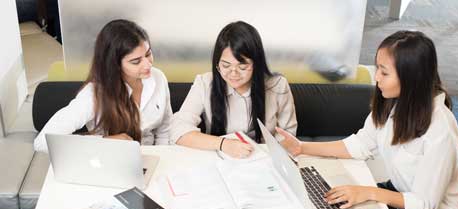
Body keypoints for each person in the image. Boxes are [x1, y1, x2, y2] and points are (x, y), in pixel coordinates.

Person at [276, 30, 458, 209]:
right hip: (399, 196)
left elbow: (423, 205)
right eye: (378, 69)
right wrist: (302, 148)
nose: (376, 78)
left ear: (411, 78)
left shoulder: (440, 129)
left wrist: (369, 193)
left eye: (384, 72)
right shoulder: (392, 103)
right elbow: (360, 144)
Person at [34, 19, 173, 153]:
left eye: (148, 54)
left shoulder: (158, 78)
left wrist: (161, 158)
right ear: (115, 64)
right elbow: (41, 142)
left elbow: (164, 131)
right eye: (136, 61)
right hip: (109, 161)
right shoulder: (93, 95)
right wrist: (105, 141)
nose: (148, 64)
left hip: (152, 161)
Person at [170, 21, 297, 158]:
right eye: (225, 66)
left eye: (242, 67)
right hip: (218, 159)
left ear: (257, 64)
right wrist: (224, 144)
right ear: (217, 64)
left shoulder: (277, 85)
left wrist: (268, 156)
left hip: (264, 160)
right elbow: (179, 131)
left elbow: (287, 136)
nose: (233, 73)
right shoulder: (205, 83)